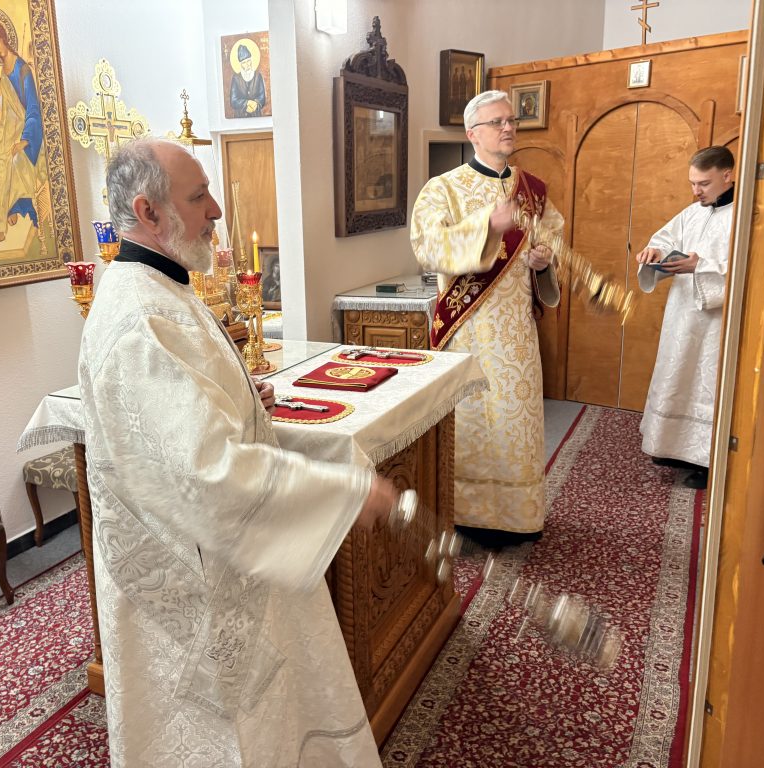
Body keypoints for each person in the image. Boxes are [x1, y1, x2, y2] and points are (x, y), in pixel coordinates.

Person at [78, 137, 399, 767]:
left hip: (210, 563)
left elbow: (179, 420)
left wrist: (240, 395)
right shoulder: (140, 317)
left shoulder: (160, 288)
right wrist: (343, 492)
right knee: (224, 736)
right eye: (199, 196)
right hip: (188, 585)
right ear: (148, 211)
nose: (216, 210)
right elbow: (206, 472)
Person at [410, 90, 562, 549]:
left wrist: (543, 261)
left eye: (511, 120)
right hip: (469, 332)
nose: (508, 128)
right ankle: (471, 517)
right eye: (497, 122)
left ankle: (517, 517)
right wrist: (487, 228)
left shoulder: (533, 190)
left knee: (518, 425)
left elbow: (552, 241)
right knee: (473, 423)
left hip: (517, 335)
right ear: (472, 133)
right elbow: (427, 248)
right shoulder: (443, 188)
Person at [635, 146, 736, 489]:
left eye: (703, 183)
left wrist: (700, 266)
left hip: (716, 322)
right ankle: (672, 447)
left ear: (727, 175)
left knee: (706, 383)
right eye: (692, 183)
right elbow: (664, 239)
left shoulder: (746, 215)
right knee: (677, 372)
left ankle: (707, 461)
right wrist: (655, 252)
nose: (696, 191)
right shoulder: (692, 213)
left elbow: (749, 268)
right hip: (682, 315)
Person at [0, 19, 45, 251]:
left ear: (3, 38)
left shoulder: (23, 69)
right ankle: (7, 209)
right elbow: (6, 117)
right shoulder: (4, 74)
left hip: (32, 133)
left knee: (15, 161)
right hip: (11, 131)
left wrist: (25, 139)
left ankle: (5, 219)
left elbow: (34, 108)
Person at [229, 43, 266, 118]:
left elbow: (262, 97)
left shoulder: (258, 76)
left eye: (249, 61)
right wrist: (247, 103)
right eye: (244, 62)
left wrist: (256, 104)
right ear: (240, 64)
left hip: (256, 116)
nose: (248, 65)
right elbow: (233, 100)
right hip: (240, 116)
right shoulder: (236, 78)